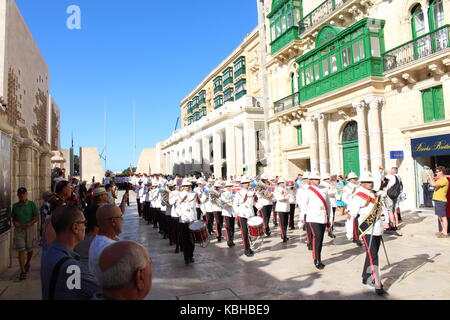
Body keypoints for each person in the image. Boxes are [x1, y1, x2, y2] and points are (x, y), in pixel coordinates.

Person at [41, 205, 99, 300]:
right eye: (84, 223)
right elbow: (101, 291)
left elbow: (71, 291)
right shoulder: (72, 267)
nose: (85, 227)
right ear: (75, 227)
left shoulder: (49, 253)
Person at [348, 171, 387, 295]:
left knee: (371, 254)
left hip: (378, 228)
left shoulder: (376, 195)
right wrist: (350, 232)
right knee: (373, 256)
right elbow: (351, 215)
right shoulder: (358, 196)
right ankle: (376, 282)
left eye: (371, 182)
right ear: (362, 183)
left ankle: (366, 276)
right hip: (366, 229)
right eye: (367, 182)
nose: (370, 184)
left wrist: (387, 221)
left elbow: (382, 208)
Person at [300, 171, 332, 270]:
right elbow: (303, 205)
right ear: (310, 180)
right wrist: (302, 218)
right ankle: (316, 259)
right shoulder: (307, 190)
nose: (317, 181)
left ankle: (319, 257)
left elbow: (328, 204)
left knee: (320, 238)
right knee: (317, 236)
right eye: (315, 179)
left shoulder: (325, 189)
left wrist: (330, 217)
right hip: (312, 217)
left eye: (318, 179)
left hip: (322, 217)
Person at [88, 205, 124, 276]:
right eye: (121, 217)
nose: (123, 221)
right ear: (113, 221)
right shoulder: (109, 248)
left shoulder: (98, 241)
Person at [12, 187, 39, 280]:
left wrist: (30, 223)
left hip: (29, 229)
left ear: (27, 194)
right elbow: (13, 218)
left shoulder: (31, 204)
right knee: (21, 249)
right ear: (18, 195)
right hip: (19, 230)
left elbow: (37, 217)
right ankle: (23, 271)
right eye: (20, 194)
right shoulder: (15, 206)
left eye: (23, 194)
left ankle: (27, 263)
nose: (22, 196)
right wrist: (15, 223)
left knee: (29, 249)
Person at [177, 180, 198, 265]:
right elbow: (177, 206)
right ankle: (186, 257)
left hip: (192, 218)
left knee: (192, 239)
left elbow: (195, 206)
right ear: (183, 186)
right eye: (185, 185)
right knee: (185, 239)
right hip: (183, 219)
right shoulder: (179, 194)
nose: (187, 187)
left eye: (188, 185)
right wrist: (181, 214)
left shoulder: (193, 194)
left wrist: (195, 218)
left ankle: (191, 255)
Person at [235, 178, 257, 257]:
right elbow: (235, 204)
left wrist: (260, 207)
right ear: (242, 184)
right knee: (244, 232)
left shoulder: (252, 192)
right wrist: (238, 212)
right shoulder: (239, 193)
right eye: (245, 183)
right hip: (242, 214)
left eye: (247, 183)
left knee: (250, 231)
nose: (246, 184)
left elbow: (254, 203)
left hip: (250, 214)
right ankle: (246, 249)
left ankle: (250, 247)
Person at [428, 166, 449, 238]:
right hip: (437, 200)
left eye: (437, 171)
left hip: (441, 200)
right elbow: (431, 184)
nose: (436, 173)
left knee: (443, 216)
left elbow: (433, 184)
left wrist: (431, 177)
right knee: (439, 216)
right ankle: (443, 231)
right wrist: (429, 178)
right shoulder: (439, 180)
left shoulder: (444, 180)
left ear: (441, 172)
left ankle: (445, 232)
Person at [342, 172, 361, 246]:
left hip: (360, 207)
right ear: (349, 179)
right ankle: (353, 237)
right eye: (352, 178)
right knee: (351, 223)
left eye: (355, 178)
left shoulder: (359, 186)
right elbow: (344, 198)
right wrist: (350, 204)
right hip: (352, 207)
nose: (354, 180)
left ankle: (357, 236)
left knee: (358, 222)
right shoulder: (347, 187)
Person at [382, 167, 403, 232]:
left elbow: (383, 177)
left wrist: (382, 170)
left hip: (390, 195)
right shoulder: (399, 177)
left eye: (391, 171)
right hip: (395, 195)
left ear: (393, 171)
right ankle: (396, 225)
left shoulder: (392, 177)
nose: (390, 172)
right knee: (394, 211)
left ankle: (393, 225)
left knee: (390, 211)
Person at [221, 181, 237, 247]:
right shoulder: (223, 194)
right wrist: (228, 203)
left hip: (233, 211)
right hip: (227, 211)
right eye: (228, 186)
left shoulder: (235, 193)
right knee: (228, 227)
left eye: (230, 186)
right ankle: (229, 240)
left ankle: (232, 240)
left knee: (232, 226)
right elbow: (222, 202)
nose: (229, 188)